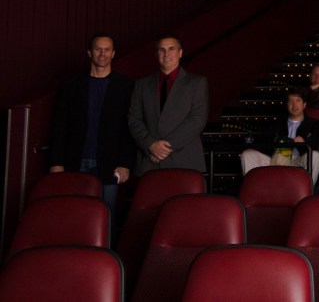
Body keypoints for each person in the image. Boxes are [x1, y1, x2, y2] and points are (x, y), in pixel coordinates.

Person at [49, 34, 135, 214]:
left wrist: (125, 163)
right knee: (74, 214)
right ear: (89, 53)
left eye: (107, 49)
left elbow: (129, 128)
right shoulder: (70, 85)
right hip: (75, 161)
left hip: (110, 164)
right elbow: (59, 126)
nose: (102, 53)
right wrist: (56, 162)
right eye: (98, 49)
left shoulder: (126, 86)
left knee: (106, 218)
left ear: (113, 54)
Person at [128, 35, 209, 175]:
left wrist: (163, 148)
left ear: (180, 53)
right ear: (156, 54)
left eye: (171, 49)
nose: (166, 54)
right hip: (149, 162)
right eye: (162, 50)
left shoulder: (197, 83)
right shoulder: (141, 85)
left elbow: (197, 120)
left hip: (184, 162)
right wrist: (151, 145)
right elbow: (134, 119)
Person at [239, 89, 319, 185]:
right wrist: (277, 140)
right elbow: (263, 139)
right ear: (287, 105)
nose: (294, 105)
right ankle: (253, 190)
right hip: (275, 159)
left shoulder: (314, 124)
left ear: (304, 104)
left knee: (314, 155)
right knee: (247, 154)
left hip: (297, 160)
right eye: (291, 101)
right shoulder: (277, 123)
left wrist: (305, 141)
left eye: (298, 100)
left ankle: (307, 192)